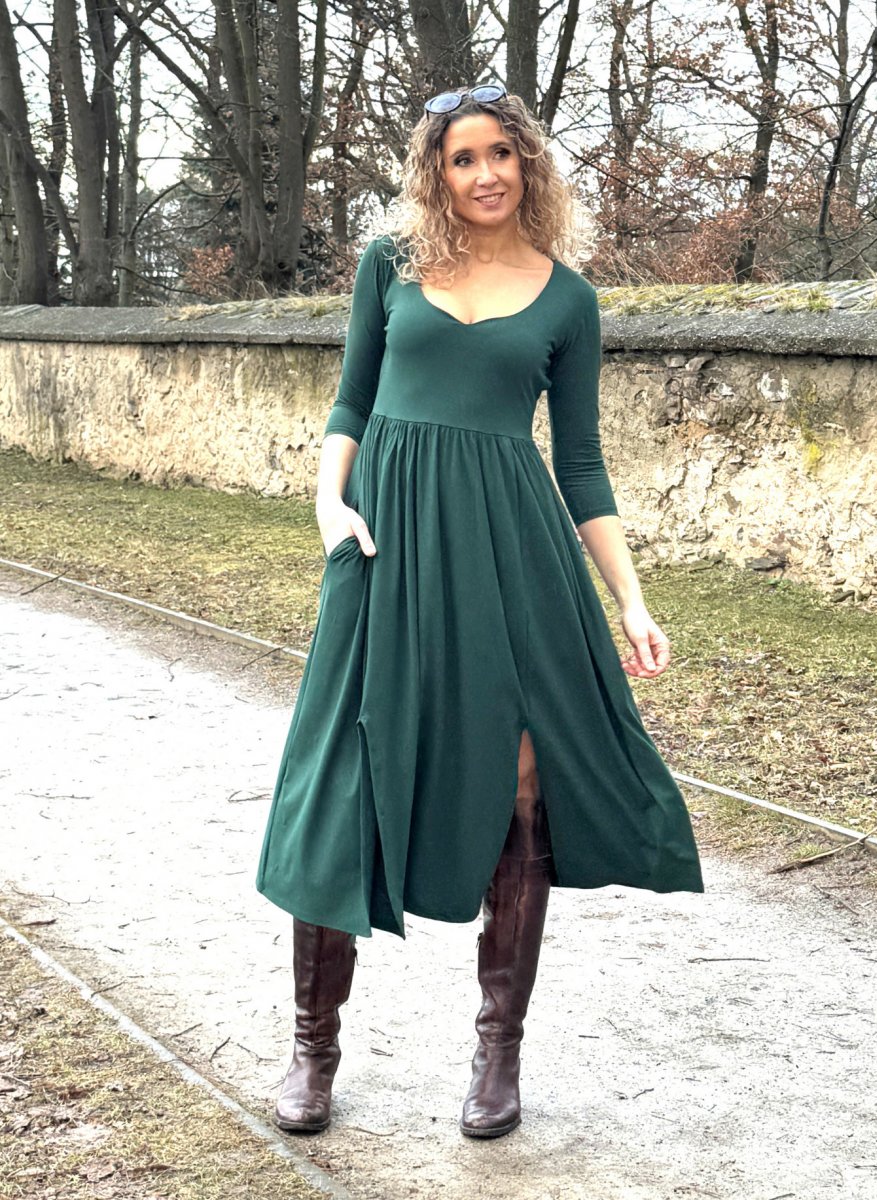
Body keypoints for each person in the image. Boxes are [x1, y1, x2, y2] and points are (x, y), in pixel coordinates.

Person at [256, 82, 704, 1141]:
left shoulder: (568, 300)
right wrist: (328, 503)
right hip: (385, 545)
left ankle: (498, 1053)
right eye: (462, 158)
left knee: (524, 778)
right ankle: (313, 1049)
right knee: (345, 774)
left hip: (513, 555)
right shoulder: (390, 265)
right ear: (436, 172)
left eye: (501, 153)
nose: (485, 174)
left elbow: (582, 465)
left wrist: (631, 599)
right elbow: (352, 399)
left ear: (528, 163)